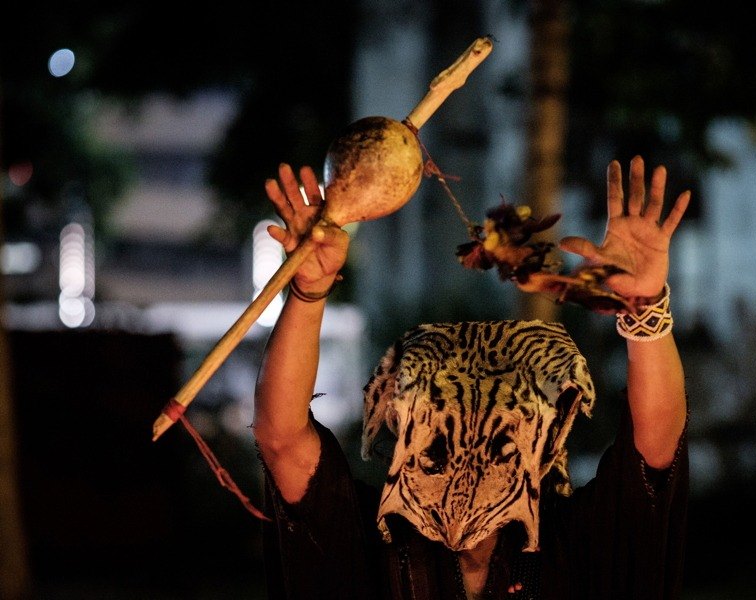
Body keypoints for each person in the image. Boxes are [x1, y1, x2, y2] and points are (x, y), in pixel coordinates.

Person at [253, 155, 691, 599]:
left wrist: (645, 307)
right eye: (443, 406)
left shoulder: (571, 542)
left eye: (497, 411)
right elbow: (282, 440)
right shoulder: (373, 539)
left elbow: (654, 451)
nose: (471, 433)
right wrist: (307, 292)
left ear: (542, 432)